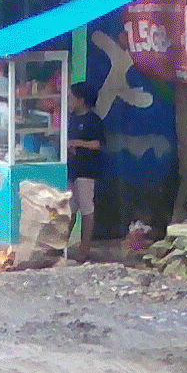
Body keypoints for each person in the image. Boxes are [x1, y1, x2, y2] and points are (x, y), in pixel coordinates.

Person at [65, 82, 103, 261]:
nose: (69, 100)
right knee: (69, 209)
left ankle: (85, 248)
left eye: (72, 97)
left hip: (87, 170)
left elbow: (98, 144)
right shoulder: (70, 118)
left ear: (81, 100)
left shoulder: (93, 120)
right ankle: (62, 245)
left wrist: (77, 143)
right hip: (72, 169)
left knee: (87, 209)